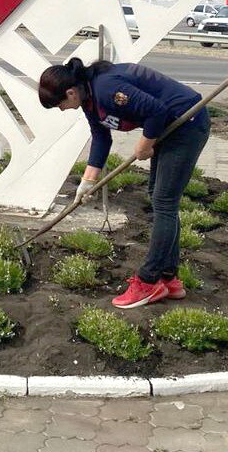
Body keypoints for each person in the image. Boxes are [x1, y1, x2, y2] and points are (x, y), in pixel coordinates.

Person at [39, 58, 210, 309]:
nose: (63, 110)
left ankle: (149, 281)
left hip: (186, 123)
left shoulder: (106, 89)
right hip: (169, 128)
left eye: (60, 105)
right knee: (159, 197)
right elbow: (100, 136)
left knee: (164, 202)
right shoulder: (88, 98)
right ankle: (168, 279)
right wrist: (88, 181)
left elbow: (157, 111)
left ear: (70, 92)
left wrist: (145, 143)